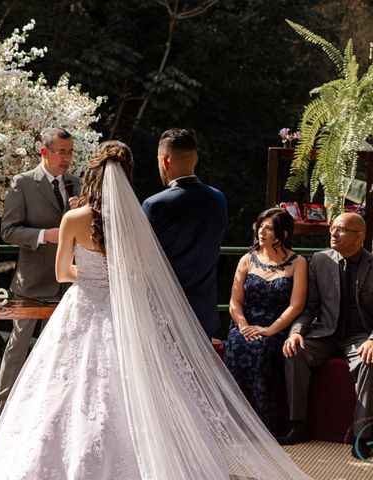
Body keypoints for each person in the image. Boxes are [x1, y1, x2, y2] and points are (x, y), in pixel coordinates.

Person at [0, 141, 310, 479]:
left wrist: (94, 274)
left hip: (82, 306)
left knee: (64, 384)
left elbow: (62, 273)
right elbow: (139, 273)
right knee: (136, 383)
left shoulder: (73, 218)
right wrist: (116, 277)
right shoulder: (136, 220)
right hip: (124, 311)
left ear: (92, 177)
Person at [0, 127, 81, 434]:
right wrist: (45, 236)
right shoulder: (22, 183)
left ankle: (49, 416)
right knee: (17, 349)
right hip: (31, 282)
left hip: (68, 282)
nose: (67, 159)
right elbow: (8, 231)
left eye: (70, 152)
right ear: (44, 152)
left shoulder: (76, 182)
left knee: (61, 351)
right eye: (61, 152)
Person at [279, 213, 373, 460]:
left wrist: (372, 340)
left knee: (369, 362)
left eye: (341, 230)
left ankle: (362, 435)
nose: (333, 233)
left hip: (359, 336)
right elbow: (308, 307)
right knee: (294, 351)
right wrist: (296, 333)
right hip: (325, 334)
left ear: (359, 236)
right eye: (333, 228)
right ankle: (298, 424)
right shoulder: (319, 260)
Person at [224, 208, 307, 433]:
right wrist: (242, 326)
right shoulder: (247, 260)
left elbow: (296, 305)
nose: (262, 231)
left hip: (277, 325)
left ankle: (263, 424)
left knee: (262, 349)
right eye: (261, 226)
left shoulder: (298, 263)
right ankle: (235, 423)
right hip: (245, 323)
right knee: (240, 345)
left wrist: (270, 330)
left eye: (269, 227)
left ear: (284, 233)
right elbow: (234, 302)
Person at [142, 128, 227, 338]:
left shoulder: (155, 204)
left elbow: (141, 256)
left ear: (165, 161)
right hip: (204, 311)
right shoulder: (218, 199)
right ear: (196, 158)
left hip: (164, 310)